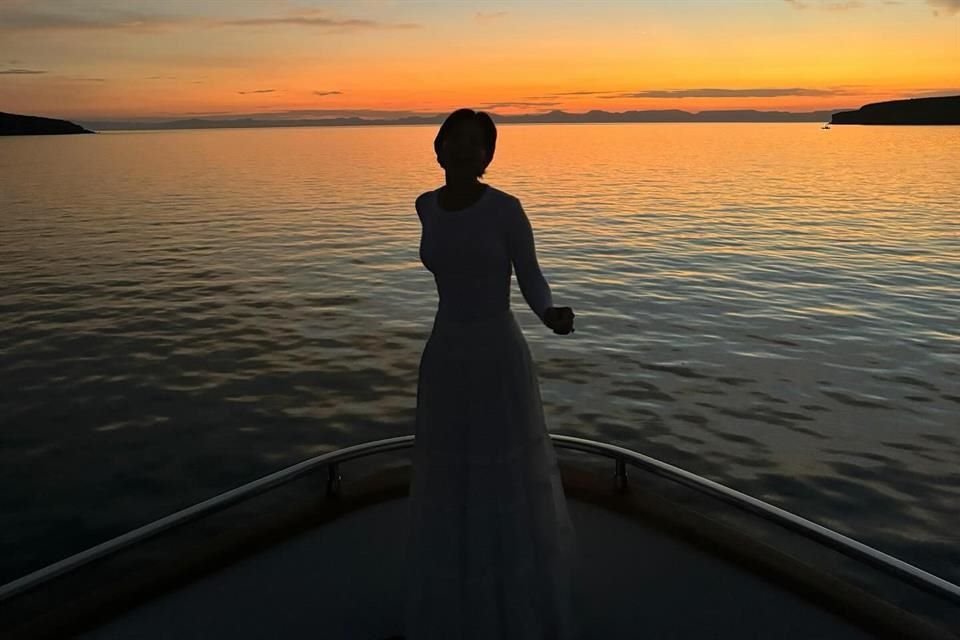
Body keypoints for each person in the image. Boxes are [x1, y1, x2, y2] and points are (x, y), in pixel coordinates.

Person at [402, 108, 579, 639]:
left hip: (496, 356)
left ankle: (514, 615)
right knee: (451, 474)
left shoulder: (506, 210)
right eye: (455, 140)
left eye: (477, 143)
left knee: (503, 476)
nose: (464, 149)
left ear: (487, 155)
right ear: (439, 147)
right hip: (446, 354)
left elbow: (531, 278)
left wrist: (549, 314)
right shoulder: (424, 206)